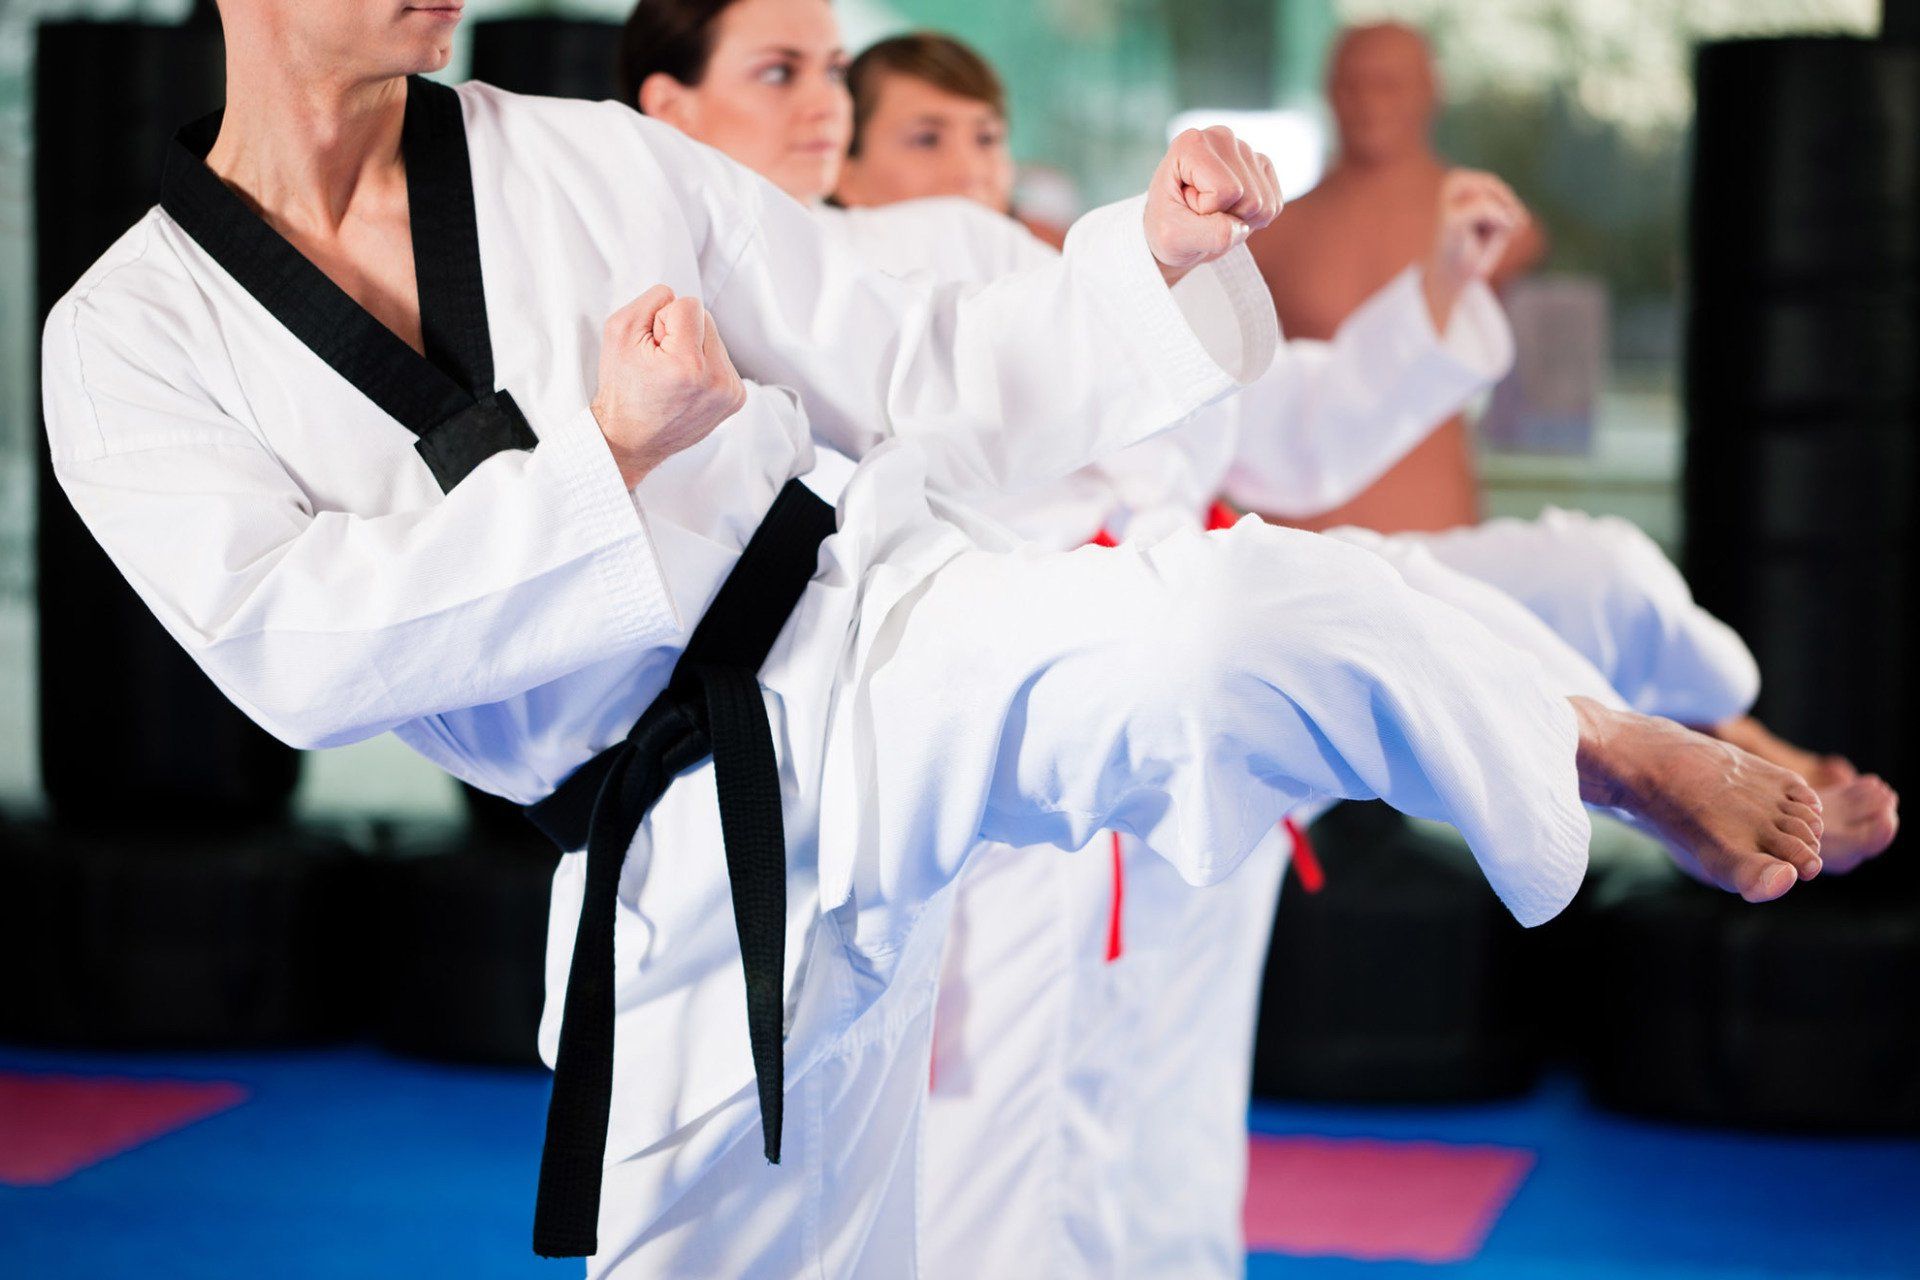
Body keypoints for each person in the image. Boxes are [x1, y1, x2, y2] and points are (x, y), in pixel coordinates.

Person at [46, 2, 1832, 1275]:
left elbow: (902, 353)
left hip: (870, 626)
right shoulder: (124, 340)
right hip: (661, 827)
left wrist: (1144, 259)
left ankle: (1587, 740)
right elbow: (295, 647)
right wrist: (610, 456)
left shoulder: (582, 156)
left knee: (1213, 618)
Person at [615, 10, 1889, 1276]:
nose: (966, 165)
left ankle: (1712, 732)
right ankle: (1635, 752)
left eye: (985, 136)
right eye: (924, 136)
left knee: (1171, 1116)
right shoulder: (782, 307)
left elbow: (1292, 426)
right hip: (1023, 717)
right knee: (1013, 1153)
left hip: (1183, 655)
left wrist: (1435, 297)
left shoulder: (1065, 283)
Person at [1249, 19, 1543, 535]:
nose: (1370, 103)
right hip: (1302, 530)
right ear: (1329, 93)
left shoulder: (1492, 227)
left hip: (1432, 521)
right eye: (1352, 85)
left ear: (1432, 91)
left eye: (1389, 84)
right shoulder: (1275, 233)